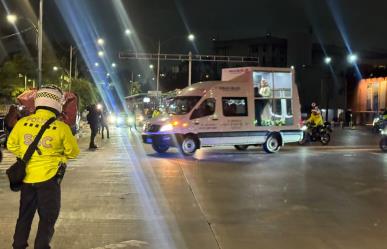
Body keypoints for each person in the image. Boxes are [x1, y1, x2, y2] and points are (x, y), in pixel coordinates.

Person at [7, 85, 80, 249]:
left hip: (27, 178)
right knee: (48, 217)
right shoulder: (61, 127)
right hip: (49, 179)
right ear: (57, 104)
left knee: (24, 215)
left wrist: (26, 154)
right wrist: (58, 155)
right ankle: (41, 246)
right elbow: (73, 152)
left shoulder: (23, 123)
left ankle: (18, 245)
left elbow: (11, 145)